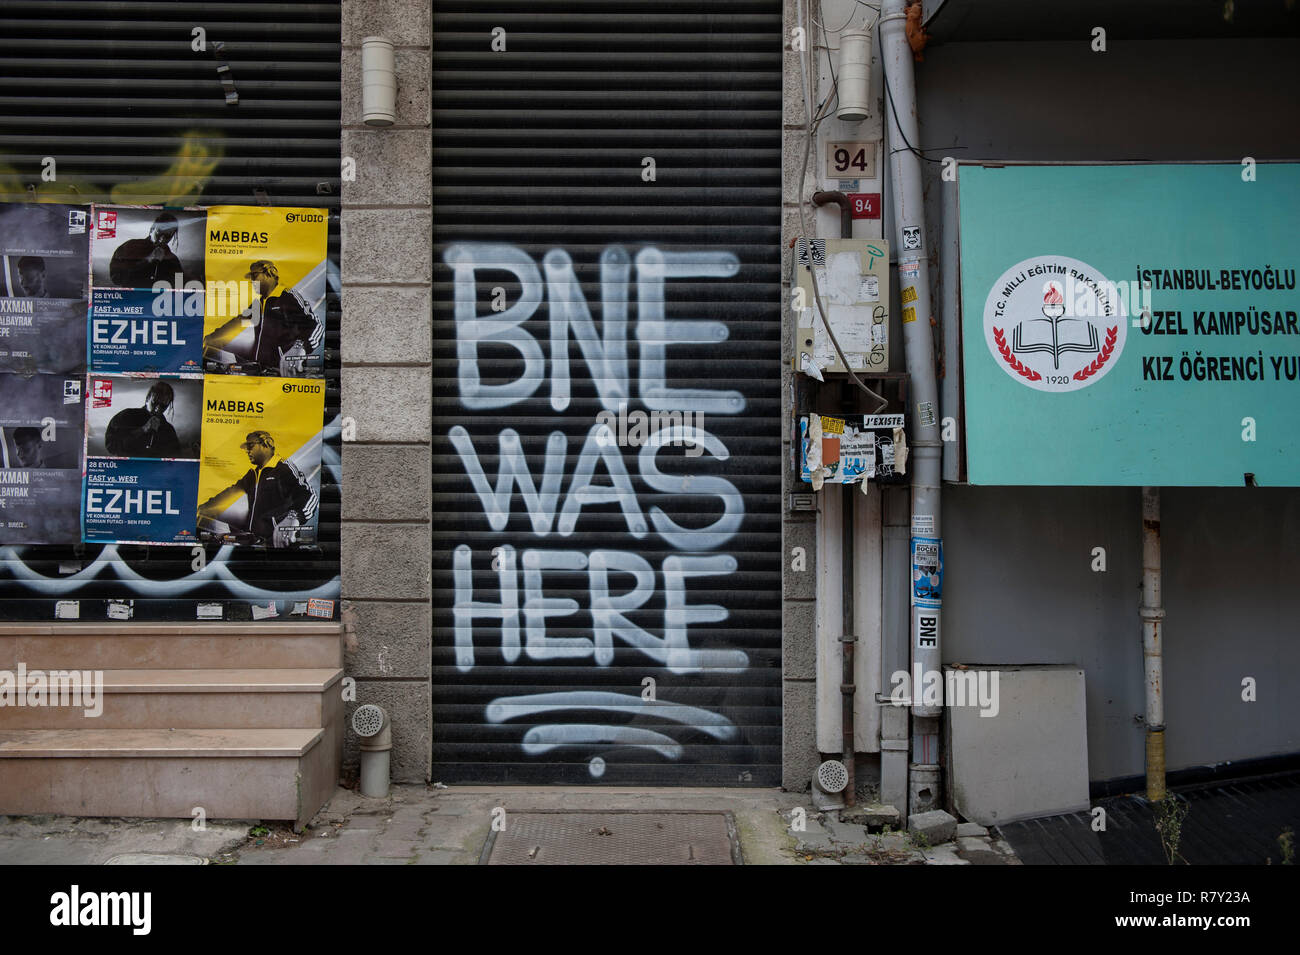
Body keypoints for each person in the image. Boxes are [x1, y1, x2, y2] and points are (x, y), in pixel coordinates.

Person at [196, 430, 316, 547]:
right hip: (254, 543)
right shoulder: (252, 475)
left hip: (278, 544)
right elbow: (228, 494)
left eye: (250, 446)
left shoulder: (283, 469)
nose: (247, 451)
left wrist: (293, 518)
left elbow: (310, 495)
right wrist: (202, 509)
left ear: (266, 444)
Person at [202, 260, 320, 376]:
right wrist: (209, 339)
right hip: (262, 371)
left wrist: (300, 348)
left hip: (286, 372)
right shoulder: (258, 304)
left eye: (254, 276)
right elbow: (235, 325)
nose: (252, 281)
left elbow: (316, 326)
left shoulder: (287, 297)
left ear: (270, 273)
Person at [108, 212, 191, 289]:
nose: (162, 239)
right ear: (152, 229)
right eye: (160, 232)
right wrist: (148, 260)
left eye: (168, 236)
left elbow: (179, 287)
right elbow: (116, 278)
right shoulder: (130, 246)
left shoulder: (173, 260)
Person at [104, 381, 183, 458]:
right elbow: (112, 446)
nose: (158, 408)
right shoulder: (126, 416)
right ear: (148, 398)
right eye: (155, 402)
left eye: (163, 405)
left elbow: (175, 456)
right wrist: (142, 430)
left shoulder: (168, 430)